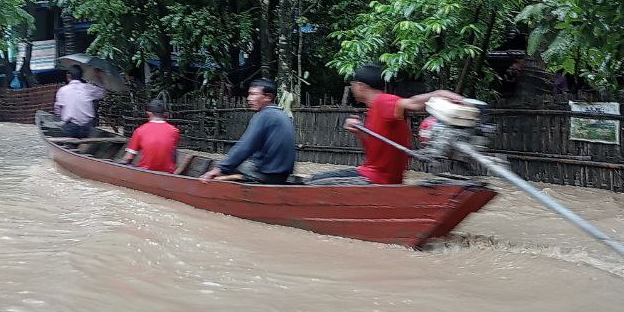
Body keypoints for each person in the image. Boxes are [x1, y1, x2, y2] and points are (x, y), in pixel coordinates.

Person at [308, 64, 467, 185]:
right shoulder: (376, 108)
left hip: (375, 178)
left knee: (313, 182)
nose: (353, 89)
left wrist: (438, 94)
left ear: (361, 86)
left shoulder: (383, 101)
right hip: (377, 175)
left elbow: (411, 103)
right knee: (317, 179)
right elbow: (377, 150)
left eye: (353, 85)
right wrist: (359, 132)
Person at [200, 79, 296, 184]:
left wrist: (219, 169)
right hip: (283, 175)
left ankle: (234, 179)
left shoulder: (264, 115)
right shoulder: (283, 115)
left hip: (267, 175)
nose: (249, 99)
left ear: (268, 97)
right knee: (236, 163)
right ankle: (238, 177)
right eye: (249, 95)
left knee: (227, 164)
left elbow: (245, 147)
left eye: (253, 94)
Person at [121, 99, 181, 172]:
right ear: (165, 114)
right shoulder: (175, 131)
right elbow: (173, 154)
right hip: (167, 172)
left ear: (149, 113)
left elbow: (128, 157)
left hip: (145, 170)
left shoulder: (140, 130)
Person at [52, 65, 106, 139]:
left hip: (71, 128)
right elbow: (102, 92)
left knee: (64, 125)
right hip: (86, 128)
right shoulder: (88, 88)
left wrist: (61, 118)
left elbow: (58, 109)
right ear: (81, 76)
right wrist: (98, 77)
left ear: (68, 76)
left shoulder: (63, 90)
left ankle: (69, 144)